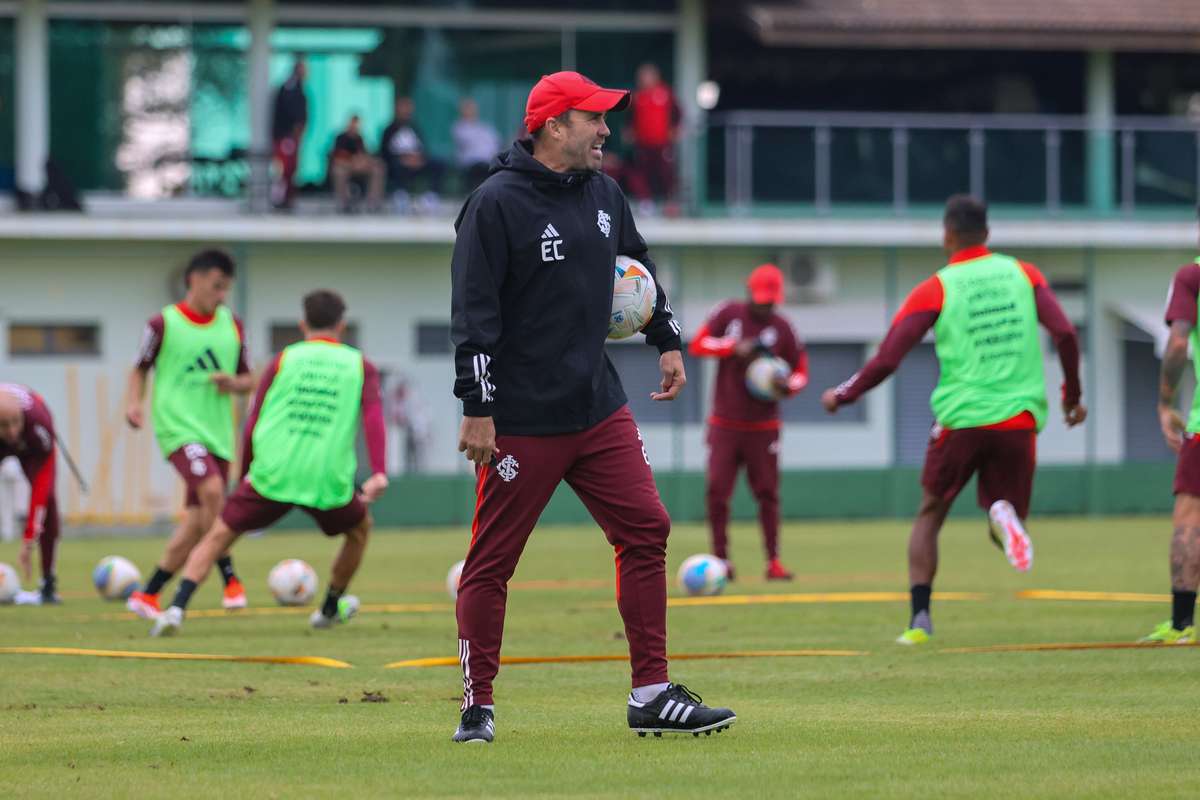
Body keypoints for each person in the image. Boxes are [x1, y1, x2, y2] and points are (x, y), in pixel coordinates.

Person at [450, 70, 736, 744]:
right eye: (595, 118)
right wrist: (478, 406)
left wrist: (666, 338)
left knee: (647, 528)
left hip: (597, 406)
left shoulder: (607, 193)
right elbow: (474, 318)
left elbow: (635, 268)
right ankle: (477, 706)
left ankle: (652, 695)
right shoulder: (494, 205)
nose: (608, 129)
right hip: (520, 418)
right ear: (555, 126)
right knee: (492, 563)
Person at [821, 195, 1086, 645]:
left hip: (961, 418)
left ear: (947, 235)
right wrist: (1072, 395)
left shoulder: (937, 287)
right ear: (987, 233)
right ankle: (1001, 512)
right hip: (1019, 418)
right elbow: (1064, 332)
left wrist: (843, 395)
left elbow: (889, 357)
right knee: (1005, 515)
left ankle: (920, 620)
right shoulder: (1024, 274)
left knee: (930, 513)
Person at [151, 289, 388, 636]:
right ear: (341, 325)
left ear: (302, 324)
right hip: (324, 476)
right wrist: (379, 471)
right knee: (359, 530)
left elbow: (254, 419)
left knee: (218, 535)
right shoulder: (359, 364)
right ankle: (327, 608)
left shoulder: (283, 360)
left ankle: (175, 609)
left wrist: (246, 472)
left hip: (272, 472)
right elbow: (373, 416)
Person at [124, 249, 253, 619]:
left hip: (218, 433)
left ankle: (147, 594)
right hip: (178, 427)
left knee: (199, 522)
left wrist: (234, 383)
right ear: (193, 279)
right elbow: (139, 368)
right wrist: (134, 404)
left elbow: (251, 378)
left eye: (226, 288)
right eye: (216, 286)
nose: (221, 295)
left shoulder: (233, 326)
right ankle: (229, 575)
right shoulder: (162, 324)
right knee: (213, 491)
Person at [688, 263, 808, 581]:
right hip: (725, 423)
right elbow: (698, 343)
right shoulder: (728, 314)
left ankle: (773, 561)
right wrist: (732, 348)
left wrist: (788, 386)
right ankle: (720, 561)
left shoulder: (783, 328)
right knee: (717, 492)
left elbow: (800, 372)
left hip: (764, 427)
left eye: (771, 299)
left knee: (768, 493)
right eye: (761, 297)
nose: (765, 304)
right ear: (748, 291)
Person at [1142, 232, 1200, 644]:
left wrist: (1165, 401)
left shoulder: (1191, 275)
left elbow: (1178, 343)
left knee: (1189, 518)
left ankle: (1182, 625)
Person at [0, 384, 61, 604]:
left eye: (15, 422)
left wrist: (28, 539)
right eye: (4, 425)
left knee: (49, 502)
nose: (12, 430)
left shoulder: (38, 421)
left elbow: (41, 489)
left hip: (33, 450)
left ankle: (48, 582)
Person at [627, 63, 680, 213]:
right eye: (642, 76)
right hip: (643, 143)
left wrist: (675, 130)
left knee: (666, 173)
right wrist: (630, 131)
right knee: (642, 172)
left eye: (648, 76)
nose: (644, 79)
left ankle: (671, 203)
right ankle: (646, 203)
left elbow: (677, 113)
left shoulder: (666, 93)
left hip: (662, 143)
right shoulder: (637, 96)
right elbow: (629, 118)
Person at [380, 96, 445, 213]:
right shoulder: (389, 129)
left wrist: (418, 158)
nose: (406, 111)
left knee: (438, 163)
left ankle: (431, 197)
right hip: (398, 163)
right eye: (403, 108)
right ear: (397, 110)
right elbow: (384, 152)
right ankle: (400, 196)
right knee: (396, 166)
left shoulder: (414, 127)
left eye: (408, 108)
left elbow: (424, 148)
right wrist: (404, 158)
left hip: (417, 161)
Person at [271, 57, 308, 210]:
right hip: (286, 137)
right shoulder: (289, 89)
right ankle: (281, 200)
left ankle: (288, 199)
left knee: (291, 170)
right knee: (285, 170)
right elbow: (292, 115)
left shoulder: (297, 88)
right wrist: (292, 134)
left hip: (291, 138)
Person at [329, 114, 385, 212]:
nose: (355, 126)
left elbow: (364, 155)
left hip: (360, 168)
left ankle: (373, 203)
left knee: (378, 168)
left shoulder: (359, 139)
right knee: (338, 171)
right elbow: (337, 158)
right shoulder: (341, 138)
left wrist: (364, 162)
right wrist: (352, 162)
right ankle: (343, 204)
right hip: (346, 166)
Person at [452, 97, 501, 193]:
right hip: (470, 162)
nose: (471, 112)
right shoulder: (459, 127)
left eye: (472, 109)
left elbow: (495, 141)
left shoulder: (484, 127)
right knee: (481, 167)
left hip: (488, 160)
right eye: (468, 109)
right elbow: (468, 144)